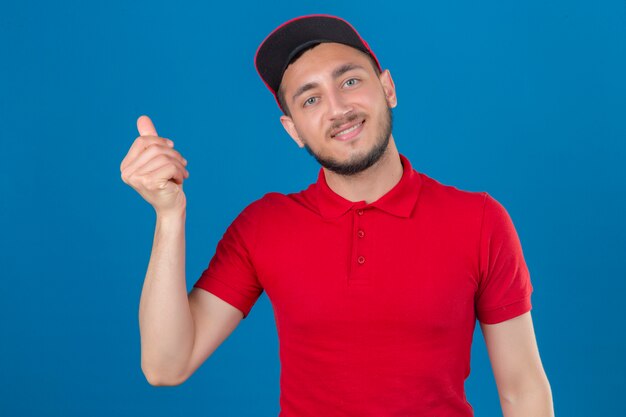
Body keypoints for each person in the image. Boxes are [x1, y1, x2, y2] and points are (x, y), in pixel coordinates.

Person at [120, 14, 554, 417]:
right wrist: (169, 215)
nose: (336, 108)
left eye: (349, 80)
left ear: (388, 88)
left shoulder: (478, 219)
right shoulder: (264, 225)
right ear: (292, 130)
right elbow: (165, 365)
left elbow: (522, 387)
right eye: (310, 99)